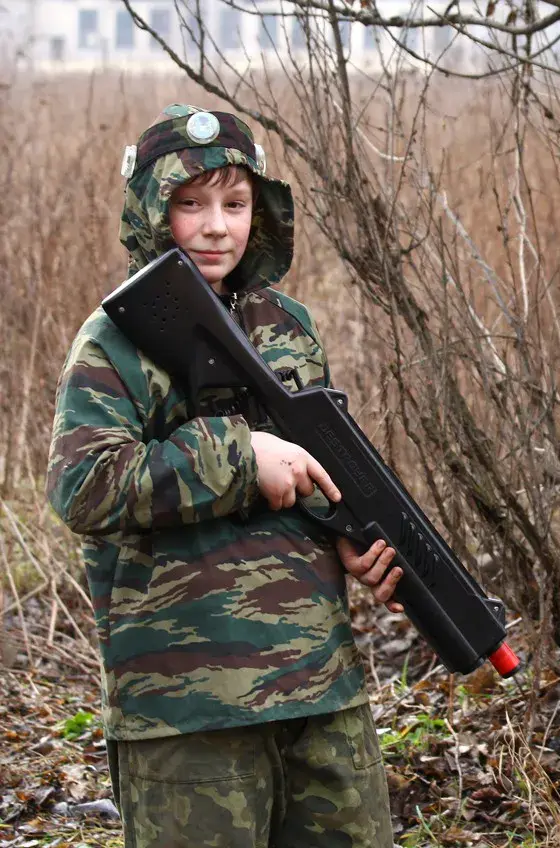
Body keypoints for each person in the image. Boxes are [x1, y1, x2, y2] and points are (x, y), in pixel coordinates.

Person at [46, 104, 404, 847]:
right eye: (191, 204)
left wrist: (342, 531)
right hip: (188, 706)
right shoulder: (113, 340)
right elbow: (83, 485)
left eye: (236, 204)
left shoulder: (288, 326)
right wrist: (241, 459)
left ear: (261, 213)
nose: (217, 226)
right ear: (152, 212)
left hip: (319, 689)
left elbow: (319, 464)